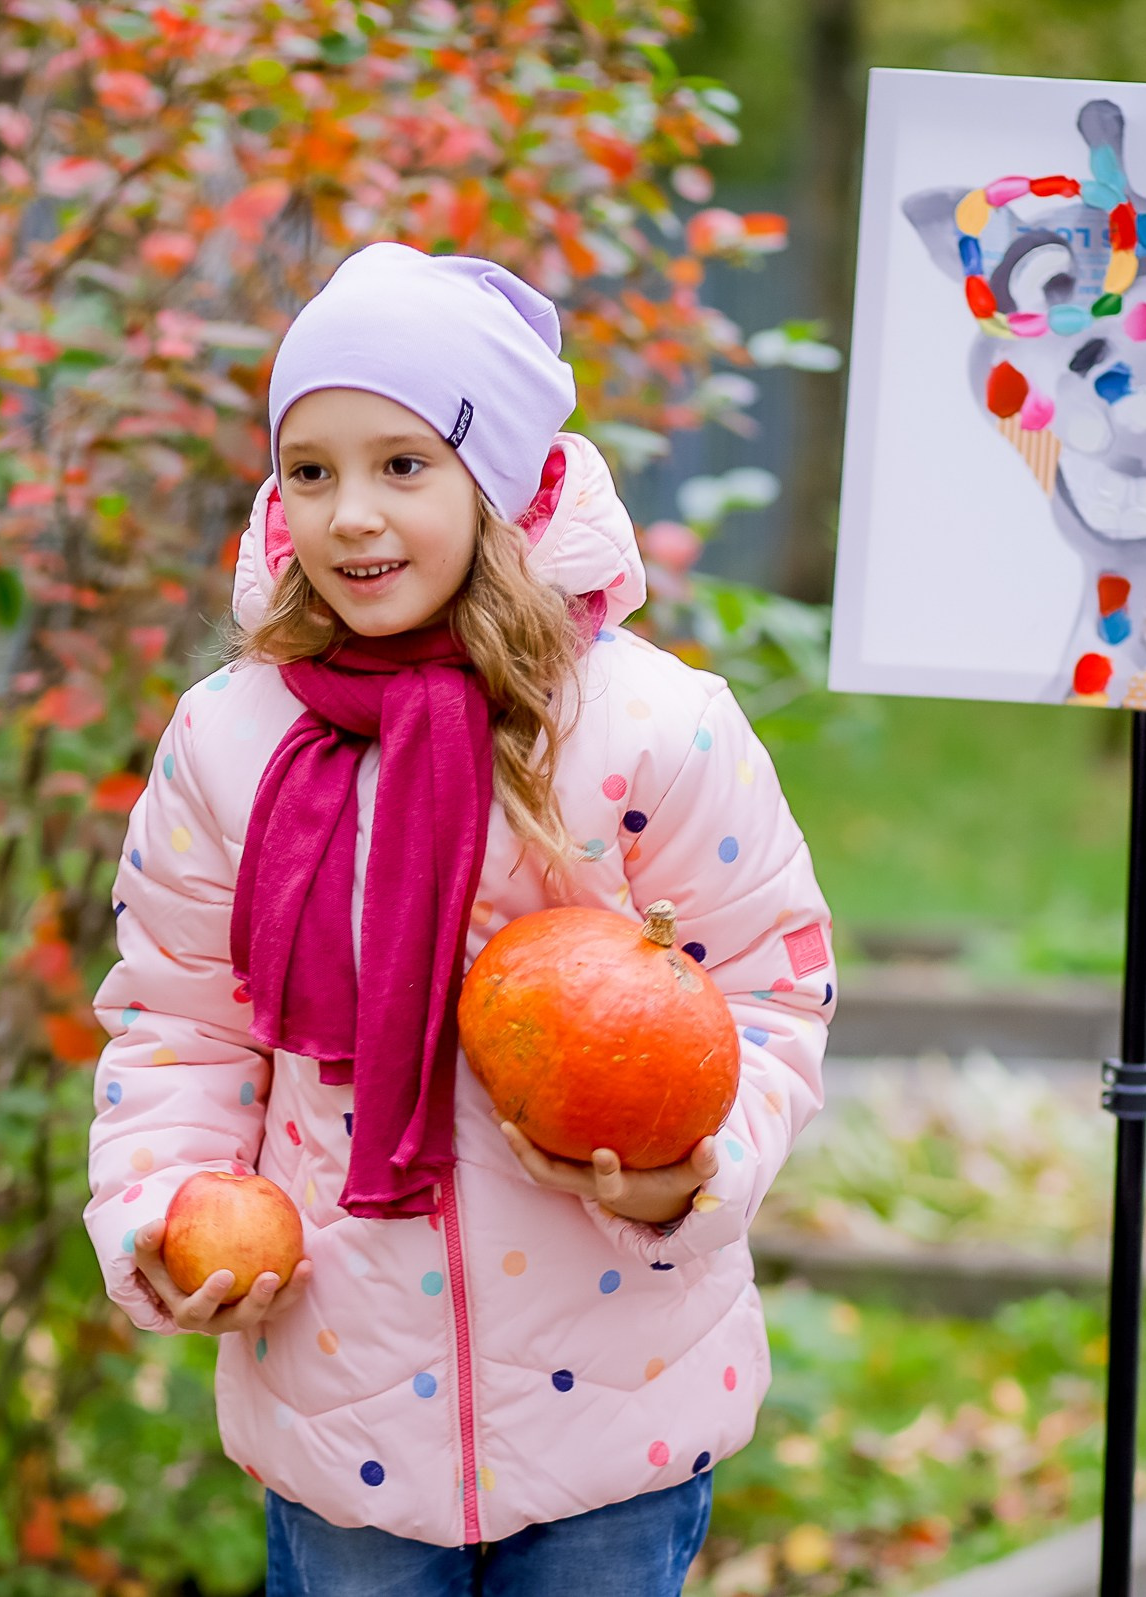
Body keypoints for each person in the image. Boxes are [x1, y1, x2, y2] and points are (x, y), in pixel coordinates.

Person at [84, 241, 835, 1596]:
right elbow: (179, 1018)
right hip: (343, 1390)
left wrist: (691, 1170)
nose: (353, 514)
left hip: (619, 1394)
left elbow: (772, 994)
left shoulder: (649, 728)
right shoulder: (235, 739)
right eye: (310, 470)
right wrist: (159, 1210)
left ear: (500, 478)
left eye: (404, 464)